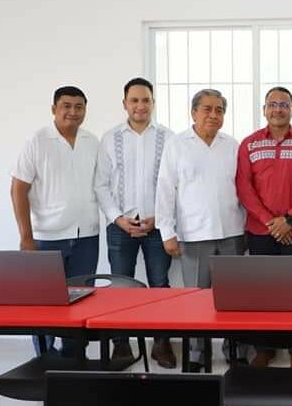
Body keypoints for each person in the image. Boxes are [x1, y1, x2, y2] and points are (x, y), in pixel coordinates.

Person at [155, 89, 246, 372]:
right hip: (193, 235)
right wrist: (166, 231)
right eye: (207, 109)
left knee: (233, 298)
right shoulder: (177, 144)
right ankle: (196, 354)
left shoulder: (232, 145)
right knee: (196, 300)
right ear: (193, 112)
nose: (213, 115)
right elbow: (165, 189)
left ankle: (235, 351)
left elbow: (242, 189)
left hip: (231, 232)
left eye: (219, 110)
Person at [94, 77, 177, 368]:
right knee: (121, 287)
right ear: (125, 104)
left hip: (157, 226)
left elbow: (174, 184)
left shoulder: (169, 137)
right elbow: (101, 185)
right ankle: (121, 345)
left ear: (153, 103)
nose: (140, 106)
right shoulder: (109, 138)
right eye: (134, 100)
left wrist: (161, 219)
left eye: (146, 100)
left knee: (160, 285)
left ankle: (162, 343)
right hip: (121, 226)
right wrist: (118, 219)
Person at [11, 86, 99, 357]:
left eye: (79, 106)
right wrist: (26, 237)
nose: (73, 112)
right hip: (46, 238)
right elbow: (18, 189)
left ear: (85, 110)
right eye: (66, 106)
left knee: (81, 300)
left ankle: (74, 357)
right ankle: (45, 359)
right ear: (54, 109)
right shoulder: (37, 141)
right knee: (44, 303)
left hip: (87, 236)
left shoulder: (92, 141)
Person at [237, 86, 292, 368]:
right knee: (263, 291)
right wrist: (269, 221)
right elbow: (244, 187)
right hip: (261, 231)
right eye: (272, 104)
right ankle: (265, 347)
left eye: (284, 104)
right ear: (264, 110)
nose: (278, 109)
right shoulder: (248, 144)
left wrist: (290, 219)